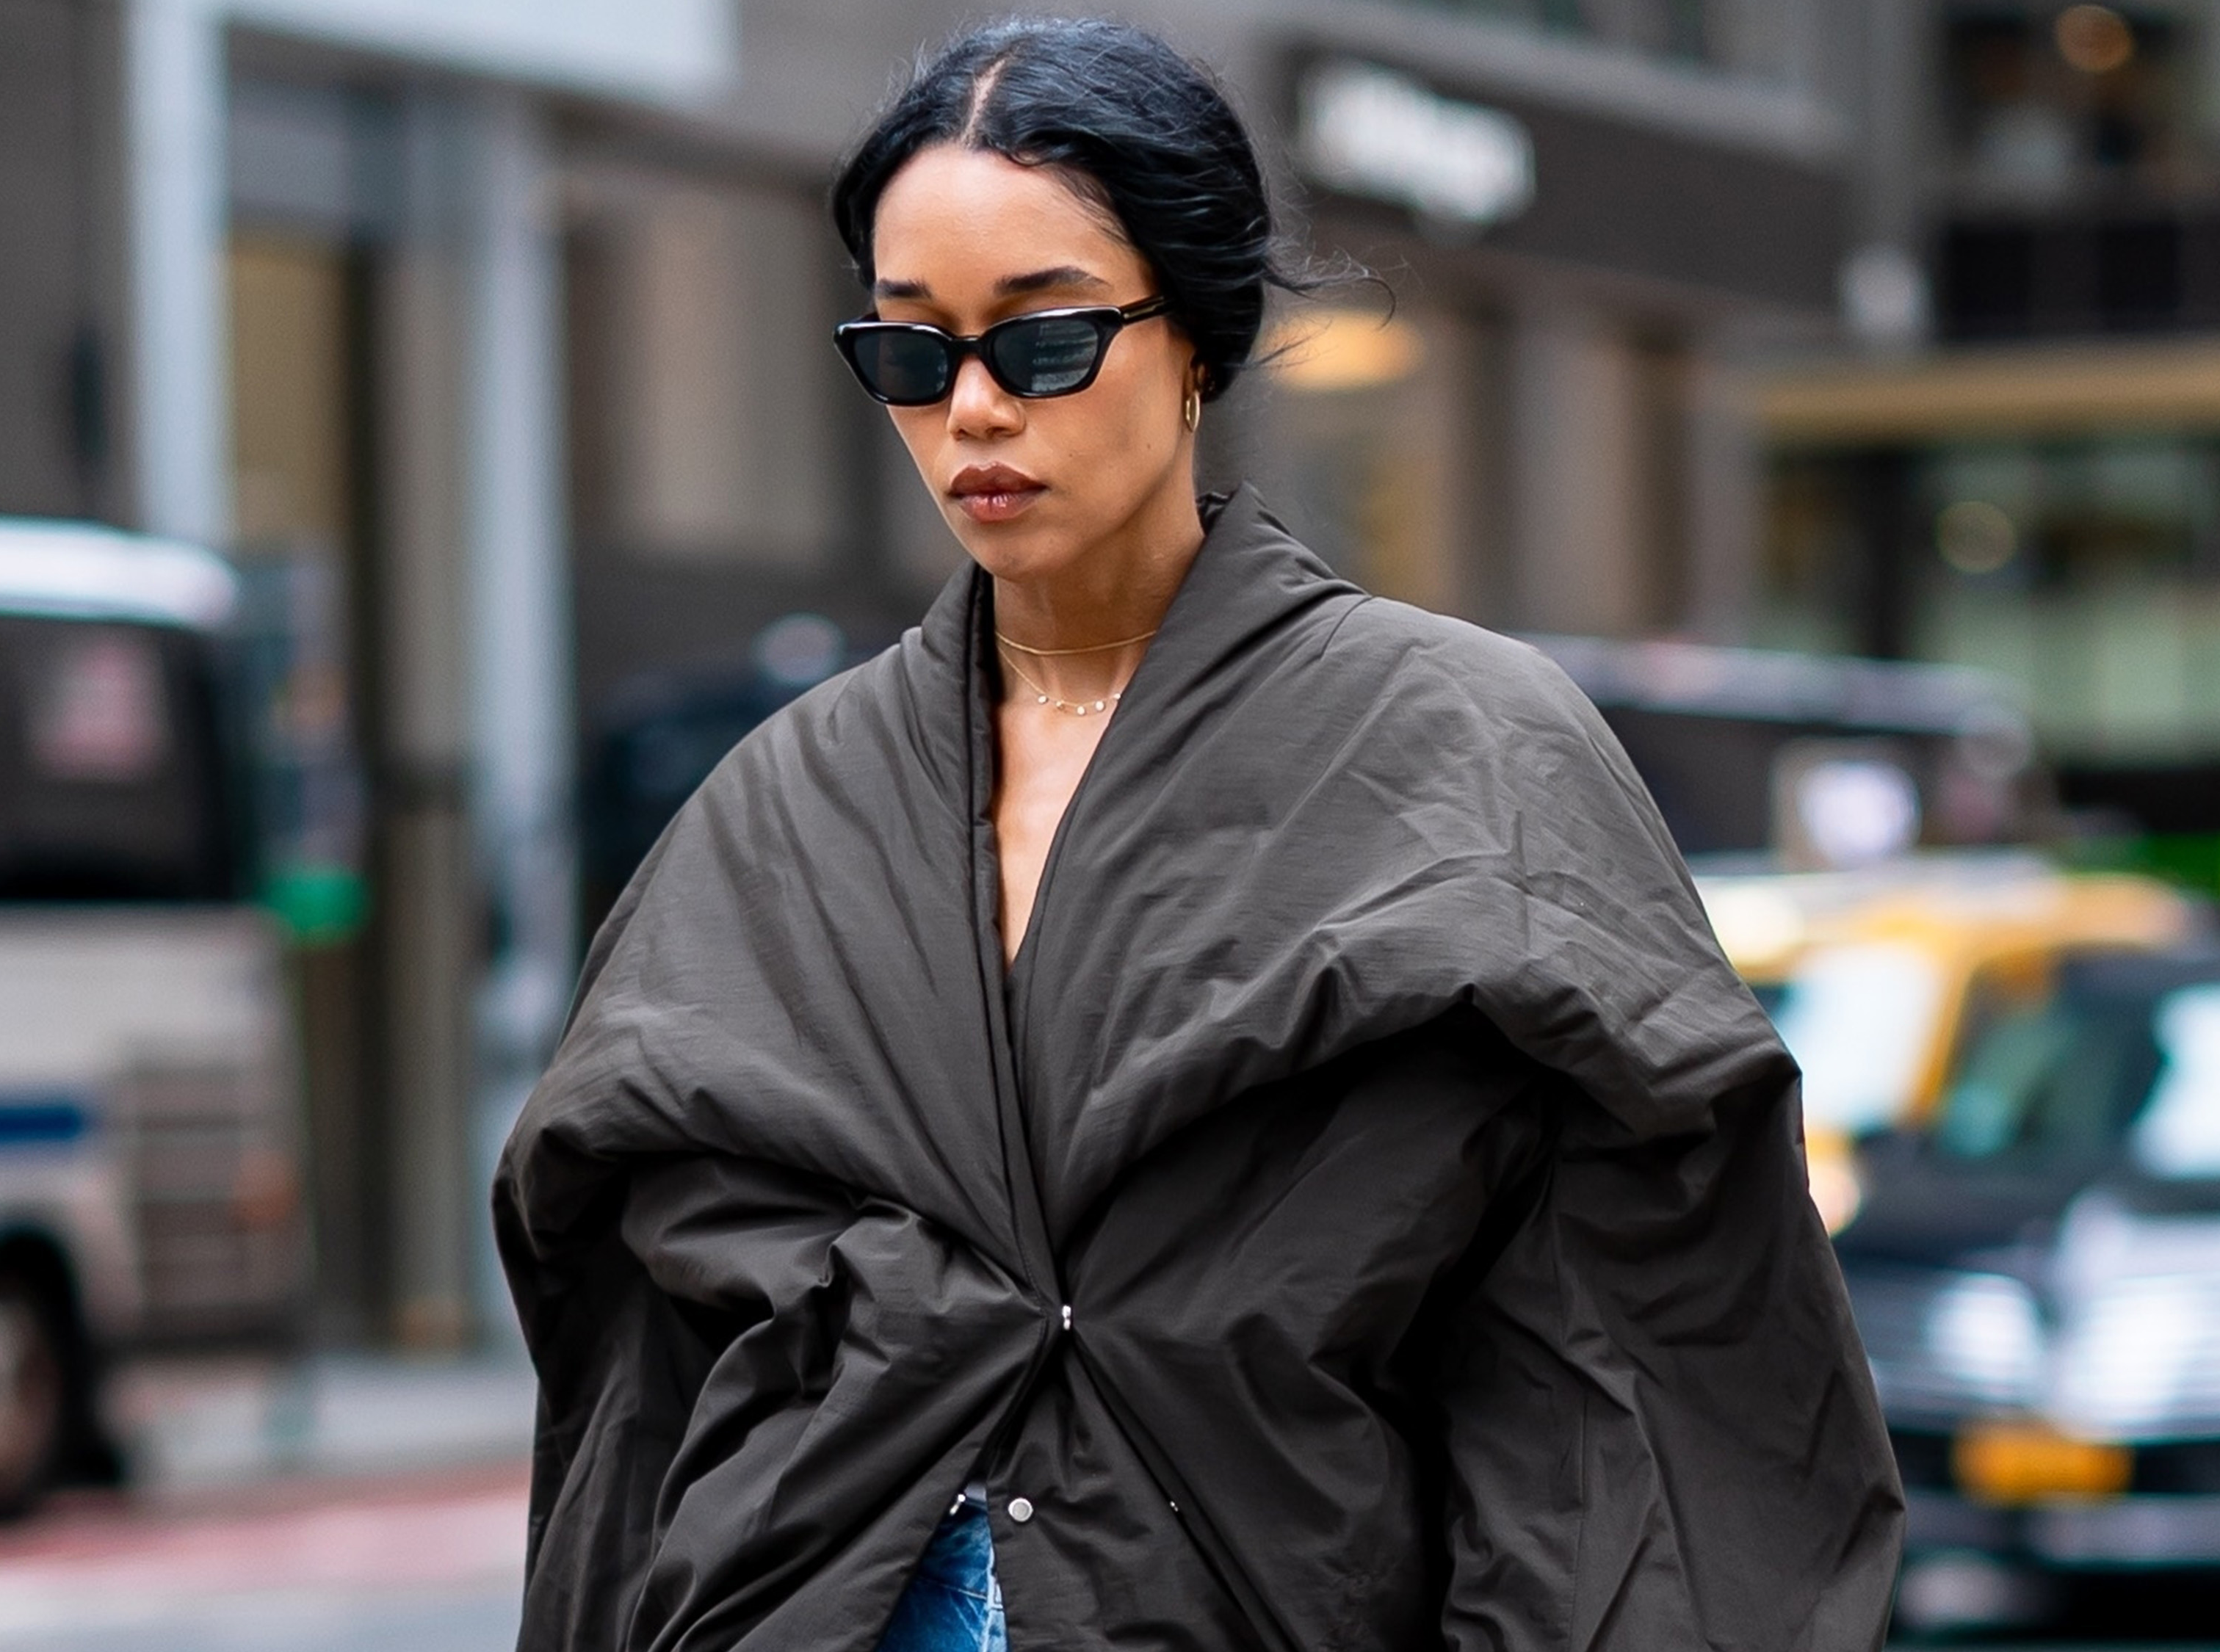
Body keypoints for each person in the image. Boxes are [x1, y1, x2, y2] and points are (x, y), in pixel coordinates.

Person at [494, 17, 1902, 1652]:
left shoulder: (1464, 756)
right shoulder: (776, 805)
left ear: (1196, 344)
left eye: (1041, 341)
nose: (969, 412)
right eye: (906, 349)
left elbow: (1635, 1362)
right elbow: (633, 1375)